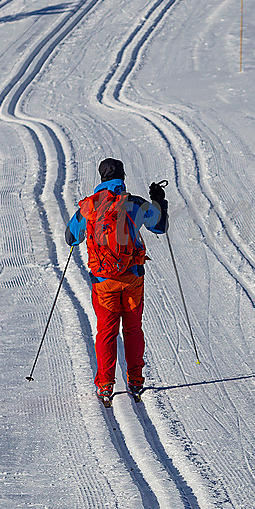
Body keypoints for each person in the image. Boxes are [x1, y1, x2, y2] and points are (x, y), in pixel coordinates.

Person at [65, 158, 168, 406]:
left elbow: (71, 238)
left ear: (101, 179)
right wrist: (160, 200)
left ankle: (105, 385)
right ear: (123, 177)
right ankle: (135, 380)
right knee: (132, 329)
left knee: (106, 332)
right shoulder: (135, 203)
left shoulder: (89, 207)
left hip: (103, 281)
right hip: (132, 278)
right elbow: (160, 225)